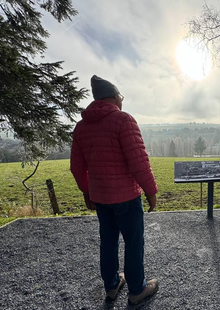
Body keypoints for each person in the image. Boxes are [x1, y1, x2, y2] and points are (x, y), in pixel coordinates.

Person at [70, 75, 159, 306]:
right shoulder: (123, 120)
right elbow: (138, 161)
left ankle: (111, 286)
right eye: (121, 97)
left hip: (101, 198)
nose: (122, 101)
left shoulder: (81, 127)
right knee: (133, 243)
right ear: (114, 97)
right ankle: (137, 290)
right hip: (127, 197)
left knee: (108, 242)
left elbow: (77, 167)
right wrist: (151, 191)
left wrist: (86, 192)